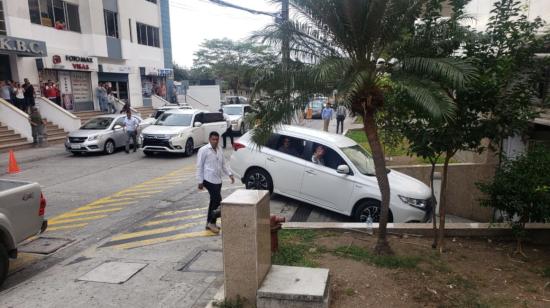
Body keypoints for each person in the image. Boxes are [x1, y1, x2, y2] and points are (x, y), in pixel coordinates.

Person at [196, 131, 235, 234]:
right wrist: (200, 181)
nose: (215, 141)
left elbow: (223, 164)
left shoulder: (219, 149)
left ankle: (209, 223)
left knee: (213, 202)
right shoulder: (203, 150)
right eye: (213, 139)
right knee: (218, 200)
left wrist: (229, 174)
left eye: (217, 139)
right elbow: (199, 166)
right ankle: (212, 222)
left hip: (218, 180)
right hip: (208, 179)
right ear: (209, 139)